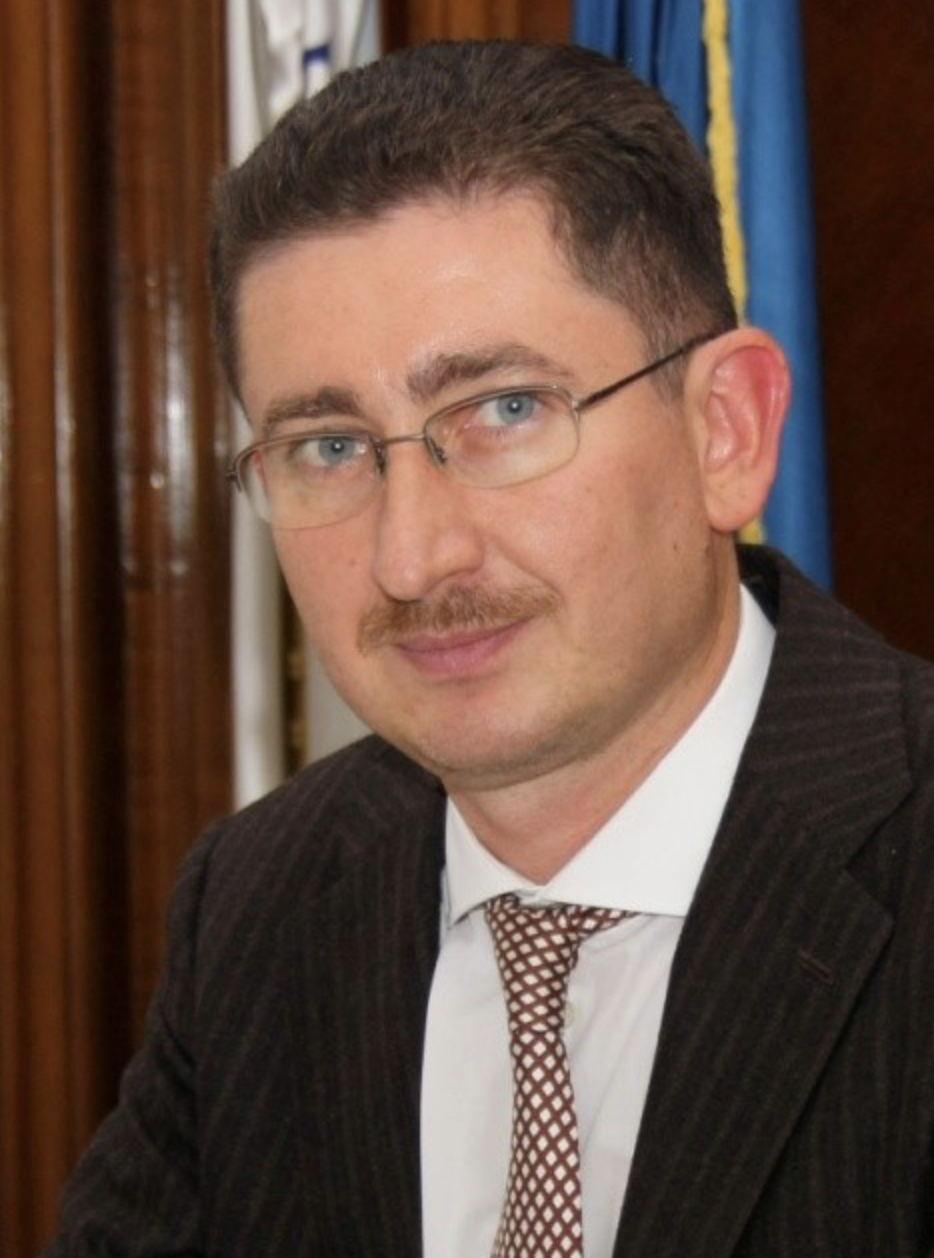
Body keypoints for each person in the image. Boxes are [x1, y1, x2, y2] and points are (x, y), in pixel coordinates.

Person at [44, 39, 934, 1258]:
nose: (412, 558)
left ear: (724, 430)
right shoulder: (257, 903)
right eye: (328, 448)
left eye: (504, 411)